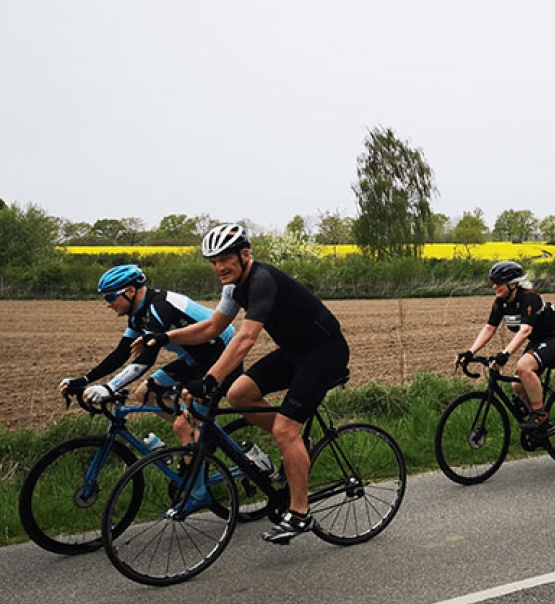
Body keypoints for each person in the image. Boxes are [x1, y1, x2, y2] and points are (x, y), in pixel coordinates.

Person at [146, 224, 350, 544]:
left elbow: (246, 338)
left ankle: (300, 513)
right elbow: (212, 328)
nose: (218, 268)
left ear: (245, 255)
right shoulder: (233, 287)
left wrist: (208, 379)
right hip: (295, 353)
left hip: (325, 353)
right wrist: (164, 337)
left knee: (285, 429)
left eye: (225, 259)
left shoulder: (262, 281)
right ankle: (298, 449)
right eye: (213, 262)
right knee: (239, 393)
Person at [58, 264, 236, 446]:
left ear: (131, 291)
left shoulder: (159, 307)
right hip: (195, 360)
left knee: (184, 426)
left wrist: (110, 387)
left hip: (222, 358)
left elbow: (146, 359)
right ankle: (201, 435)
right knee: (146, 393)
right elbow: (121, 353)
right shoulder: (138, 315)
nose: (108, 304)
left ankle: (226, 456)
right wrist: (84, 380)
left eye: (111, 297)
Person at [457, 261, 555, 433]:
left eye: (498, 282)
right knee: (518, 386)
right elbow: (489, 328)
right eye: (493, 282)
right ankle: (541, 428)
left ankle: (539, 414)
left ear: (513, 284)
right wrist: (470, 352)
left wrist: (505, 354)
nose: (494, 286)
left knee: (524, 367)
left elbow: (525, 330)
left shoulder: (529, 298)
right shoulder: (500, 302)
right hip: (539, 340)